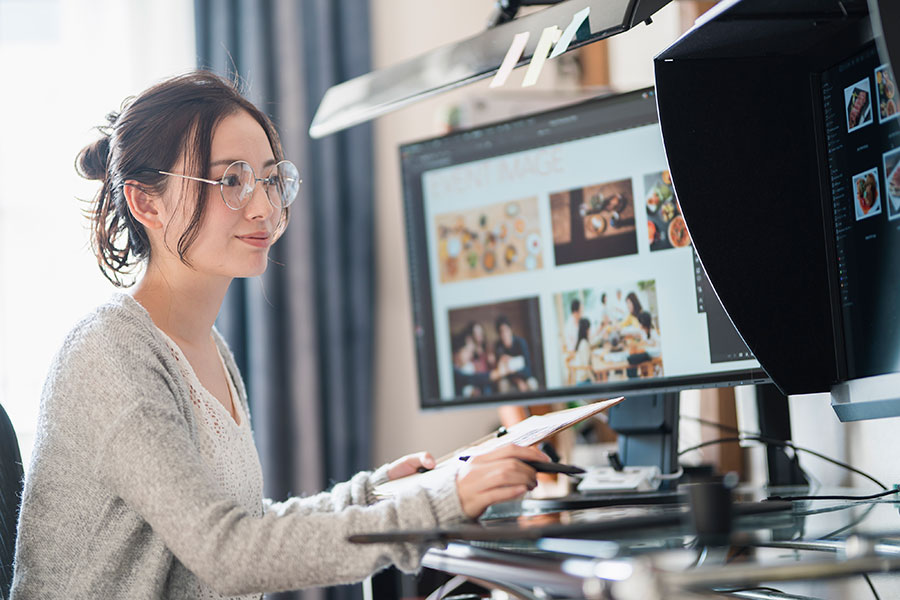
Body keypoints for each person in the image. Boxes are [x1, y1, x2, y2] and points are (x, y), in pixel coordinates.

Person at [10, 72, 549, 599]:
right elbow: (228, 554)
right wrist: (441, 502)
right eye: (230, 181)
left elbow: (248, 526)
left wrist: (375, 492)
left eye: (269, 179)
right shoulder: (110, 353)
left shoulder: (205, 347)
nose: (265, 207)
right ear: (146, 203)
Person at [493, 316, 540, 393]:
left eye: (506, 330)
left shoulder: (520, 343)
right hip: (510, 378)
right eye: (501, 332)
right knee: (502, 384)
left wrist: (512, 363)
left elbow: (528, 369)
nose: (504, 334)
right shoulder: (499, 347)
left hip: (524, 376)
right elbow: (501, 372)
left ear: (511, 330)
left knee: (532, 384)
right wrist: (517, 381)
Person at [569, 317, 594, 385]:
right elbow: (586, 367)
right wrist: (594, 381)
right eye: (589, 328)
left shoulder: (581, 342)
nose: (590, 331)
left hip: (581, 379)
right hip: (584, 381)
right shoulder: (584, 344)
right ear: (586, 330)